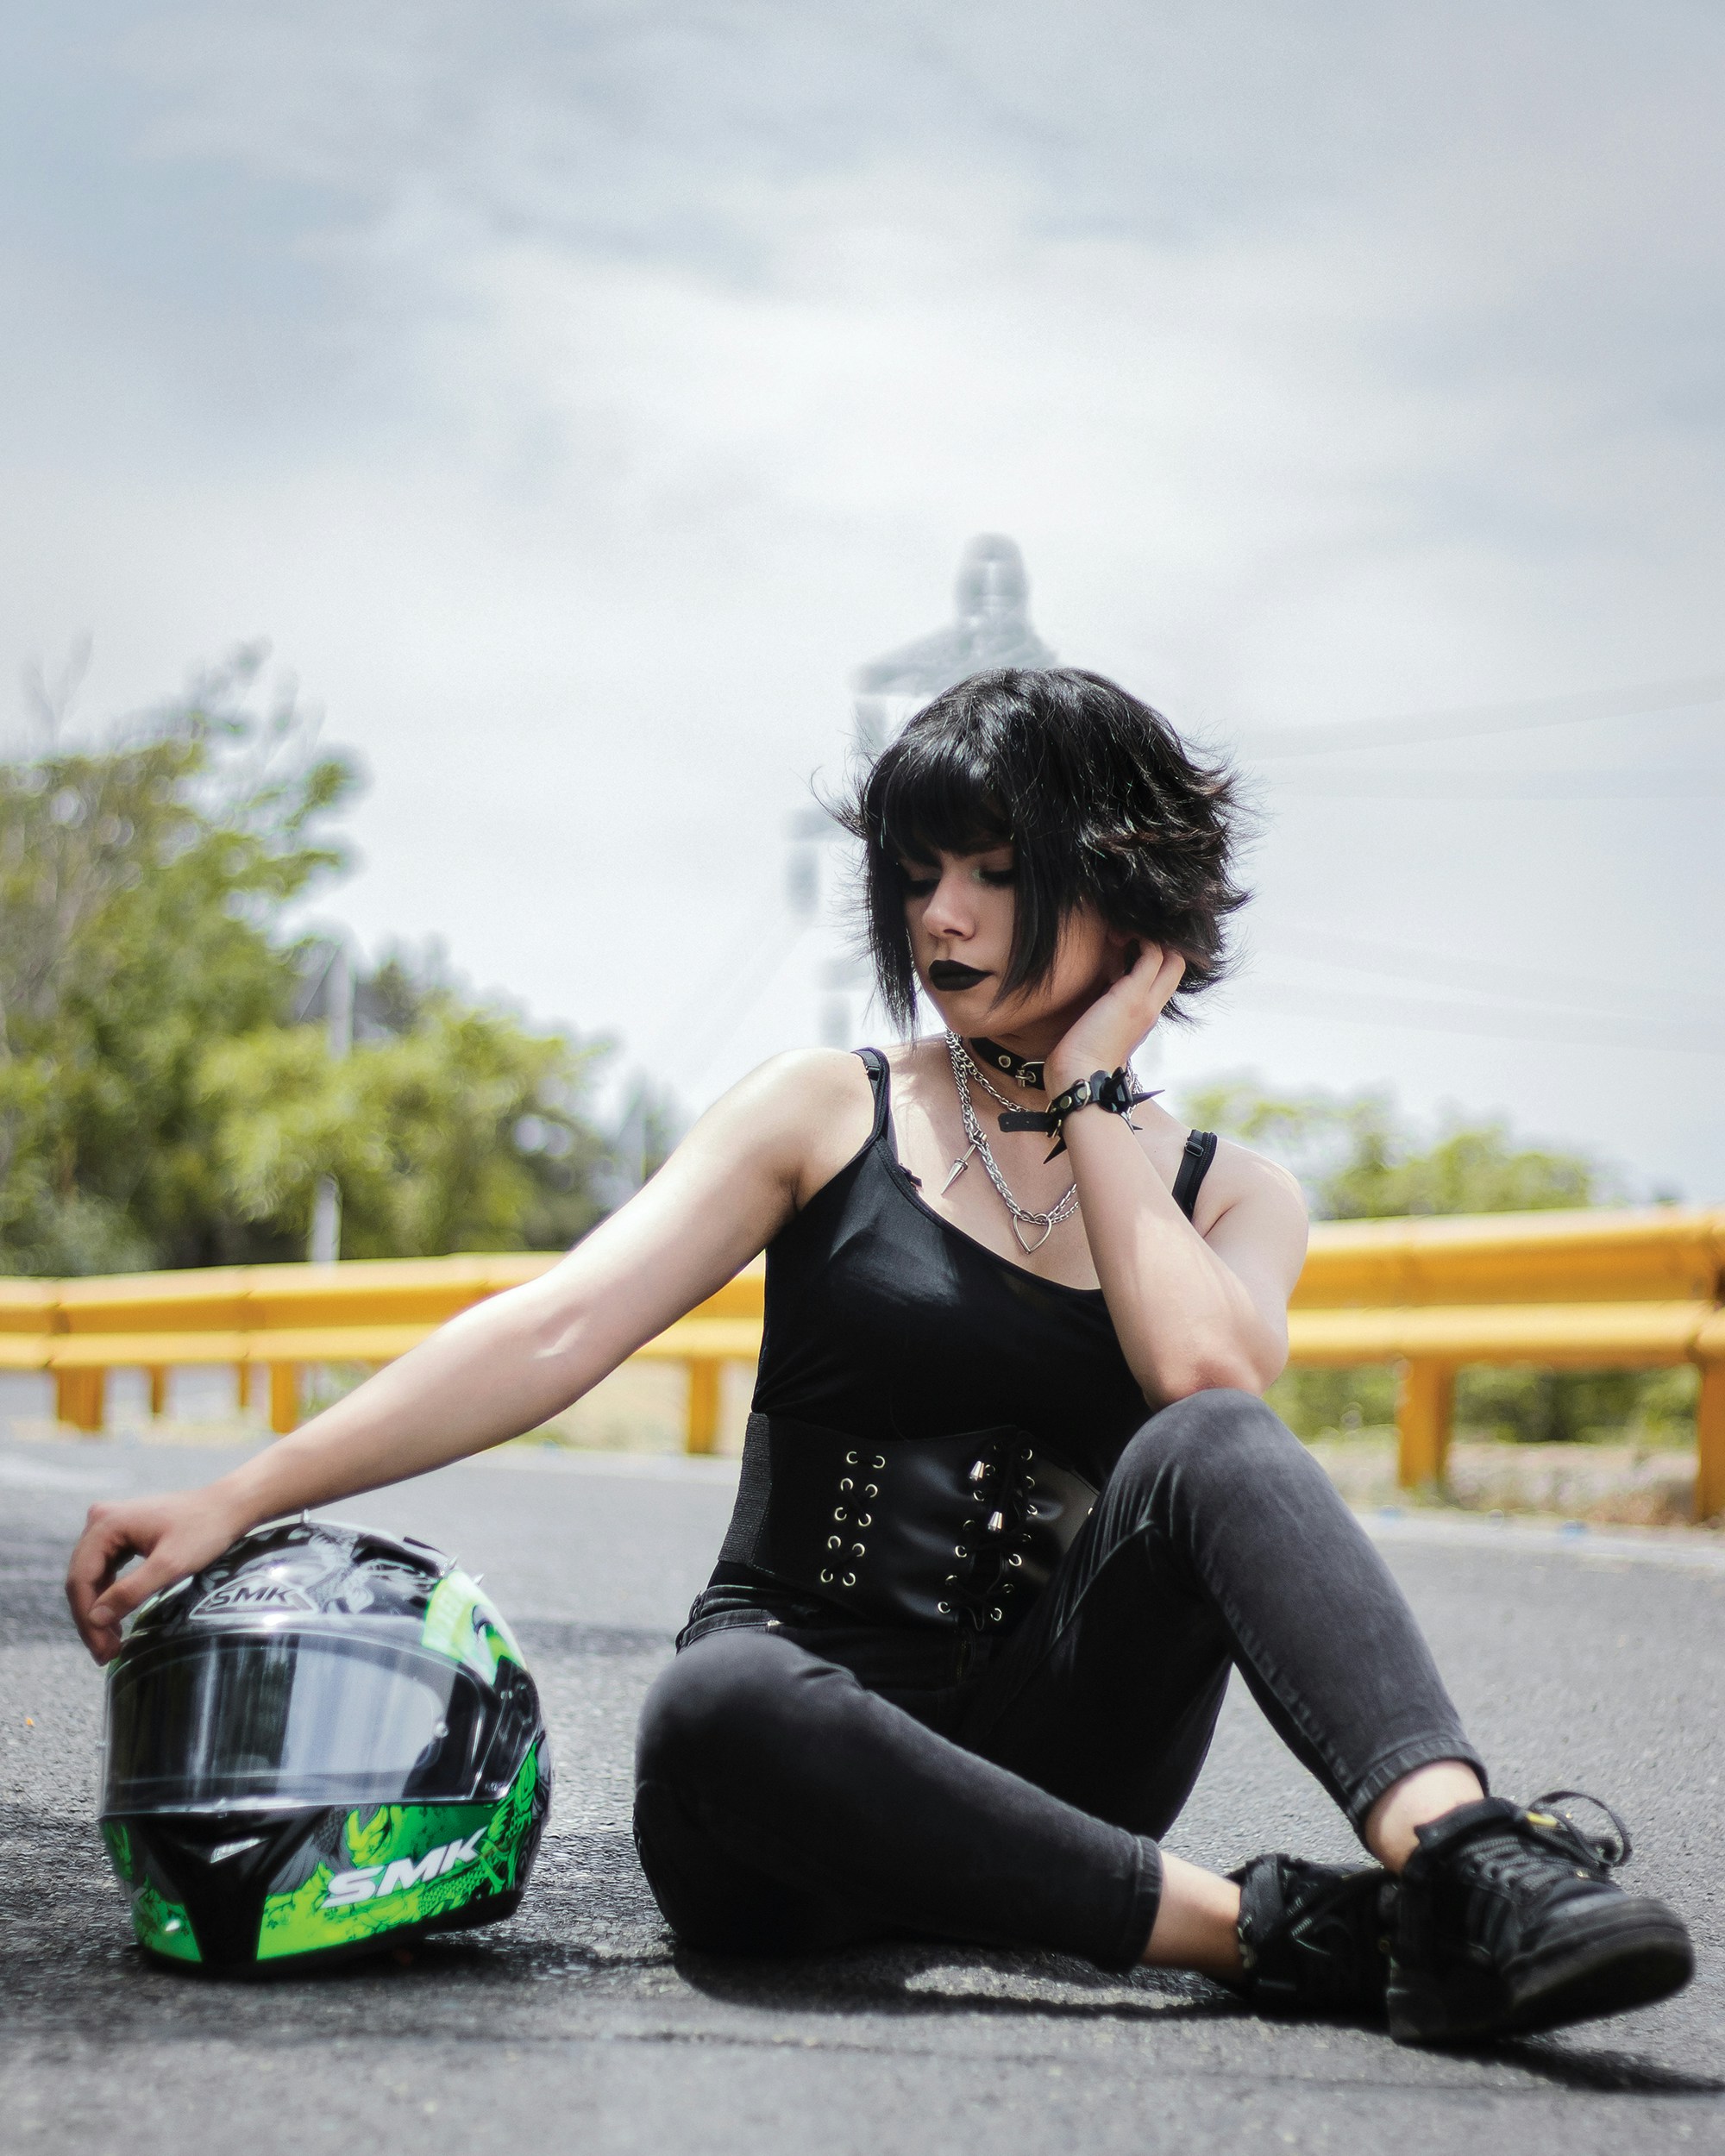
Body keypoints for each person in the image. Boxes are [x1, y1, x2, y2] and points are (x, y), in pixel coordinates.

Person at [66, 667, 1691, 2045]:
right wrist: (241, 1492)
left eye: (991, 869)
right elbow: (559, 1327)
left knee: (1215, 1449)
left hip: (1058, 1776)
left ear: (1124, 890)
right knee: (714, 1704)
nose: (942, 916)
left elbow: (1208, 1386)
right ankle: (1285, 1935)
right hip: (787, 1777)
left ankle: (1466, 1865)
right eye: (918, 876)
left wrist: (1097, 1095)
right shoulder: (825, 1109)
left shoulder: (1236, 1195)